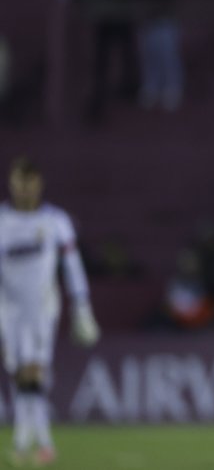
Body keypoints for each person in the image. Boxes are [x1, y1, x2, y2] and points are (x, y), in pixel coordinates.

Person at [0, 157, 100, 466]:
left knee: (33, 371)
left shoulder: (56, 220)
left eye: (29, 183)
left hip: (42, 305)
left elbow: (72, 264)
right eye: (19, 183)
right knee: (19, 374)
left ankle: (26, 443)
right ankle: (39, 443)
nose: (24, 190)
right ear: (11, 184)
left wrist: (81, 303)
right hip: (8, 306)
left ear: (39, 184)